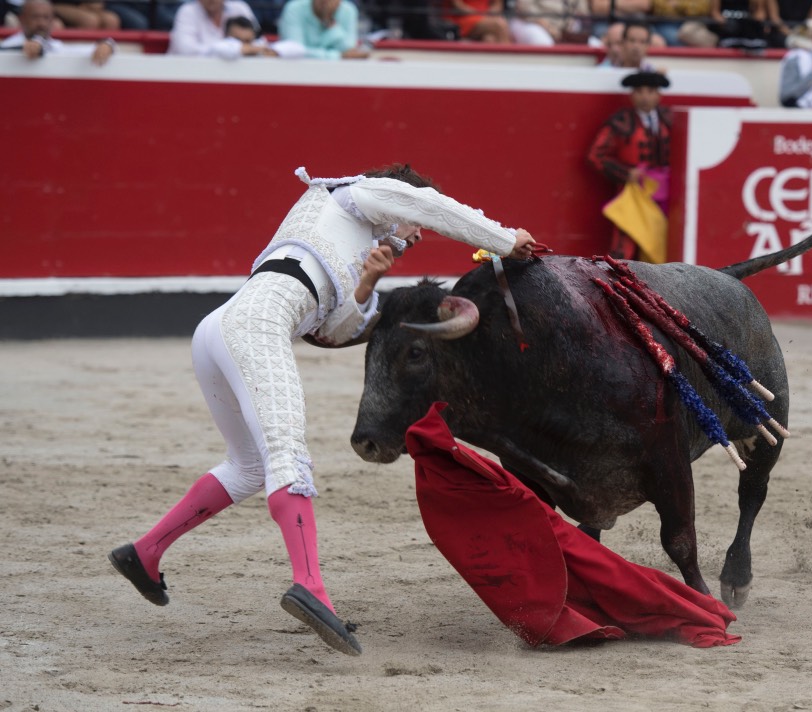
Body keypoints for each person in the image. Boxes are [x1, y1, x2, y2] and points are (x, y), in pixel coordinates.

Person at [108, 163, 536, 657]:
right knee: (288, 453)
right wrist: (506, 238)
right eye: (413, 228)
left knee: (248, 466)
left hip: (221, 326)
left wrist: (367, 282)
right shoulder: (363, 193)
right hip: (256, 324)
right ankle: (309, 586)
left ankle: (146, 552)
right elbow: (431, 207)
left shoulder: (347, 236)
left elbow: (328, 333)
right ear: (401, 199)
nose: (416, 236)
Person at [587, 70, 671, 259]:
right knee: (625, 245)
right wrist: (627, 174)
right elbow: (595, 155)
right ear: (631, 95)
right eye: (639, 91)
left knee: (662, 243)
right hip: (632, 192)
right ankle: (619, 286)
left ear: (659, 94)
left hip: (666, 193)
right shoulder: (621, 121)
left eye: (650, 91)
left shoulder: (670, 119)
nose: (645, 96)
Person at [0, 0, 115, 63]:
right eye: (35, 17)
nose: (41, 23)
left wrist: (107, 45)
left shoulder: (56, 47)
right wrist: (24, 48)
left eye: (46, 18)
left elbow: (84, 50)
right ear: (22, 19)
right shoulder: (7, 46)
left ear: (52, 21)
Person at [277, 0, 368, 59]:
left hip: (337, 74)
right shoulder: (294, 8)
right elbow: (294, 51)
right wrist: (338, 56)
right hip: (296, 74)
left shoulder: (349, 10)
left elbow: (349, 50)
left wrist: (330, 23)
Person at [167, 0, 259, 56]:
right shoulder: (187, 12)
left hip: (234, 76)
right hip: (187, 78)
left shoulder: (240, 8)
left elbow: (260, 42)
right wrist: (234, 50)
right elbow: (186, 51)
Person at [677, 0, 770, 49]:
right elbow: (714, 12)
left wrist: (757, 23)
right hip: (724, 27)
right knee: (687, 32)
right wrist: (725, 22)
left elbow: (759, 12)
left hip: (745, 28)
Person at [210, 14, 306, 57]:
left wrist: (274, 51)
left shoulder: (259, 45)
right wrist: (249, 49)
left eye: (247, 40)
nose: (244, 44)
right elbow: (218, 48)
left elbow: (299, 49)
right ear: (226, 36)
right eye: (238, 40)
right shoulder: (220, 47)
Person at [442, 0, 512, 43]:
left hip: (485, 17)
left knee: (489, 39)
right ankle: (511, 61)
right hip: (461, 18)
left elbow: (497, 5)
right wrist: (478, 13)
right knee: (499, 24)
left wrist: (488, 13)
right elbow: (457, 5)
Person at [50, 0, 119, 29]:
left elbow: (97, 4)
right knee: (90, 21)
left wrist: (93, 4)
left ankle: (104, 48)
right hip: (57, 4)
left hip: (82, 5)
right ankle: (79, 51)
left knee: (111, 20)